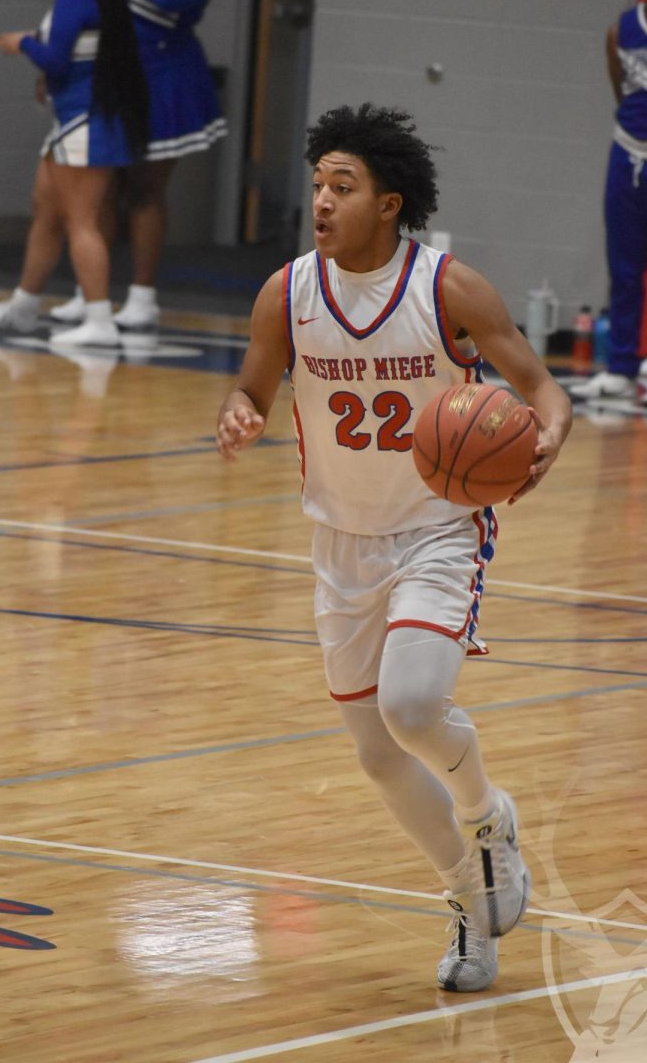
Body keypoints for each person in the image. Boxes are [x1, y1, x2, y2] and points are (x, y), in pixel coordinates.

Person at [216, 104, 573, 992]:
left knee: (413, 709)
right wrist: (239, 414)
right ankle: (467, 898)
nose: (323, 203)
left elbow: (539, 386)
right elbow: (253, 392)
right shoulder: (286, 293)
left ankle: (488, 817)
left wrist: (548, 434)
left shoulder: (449, 290)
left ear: (389, 203)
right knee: (377, 756)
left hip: (437, 529)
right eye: (317, 186)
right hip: (340, 539)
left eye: (343, 187)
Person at [0, 0, 226, 344]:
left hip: (165, 79)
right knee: (89, 195)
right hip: (115, 80)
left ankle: (140, 296)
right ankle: (89, 296)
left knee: (144, 188)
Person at [0, 0, 149, 348]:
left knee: (81, 222)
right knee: (46, 210)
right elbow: (76, 57)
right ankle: (25, 305)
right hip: (78, 120)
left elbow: (54, 59)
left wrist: (23, 43)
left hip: (84, 124)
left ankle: (99, 319)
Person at [572, 0, 647, 408]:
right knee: (625, 265)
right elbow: (622, 90)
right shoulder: (621, 30)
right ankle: (619, 366)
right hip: (626, 154)